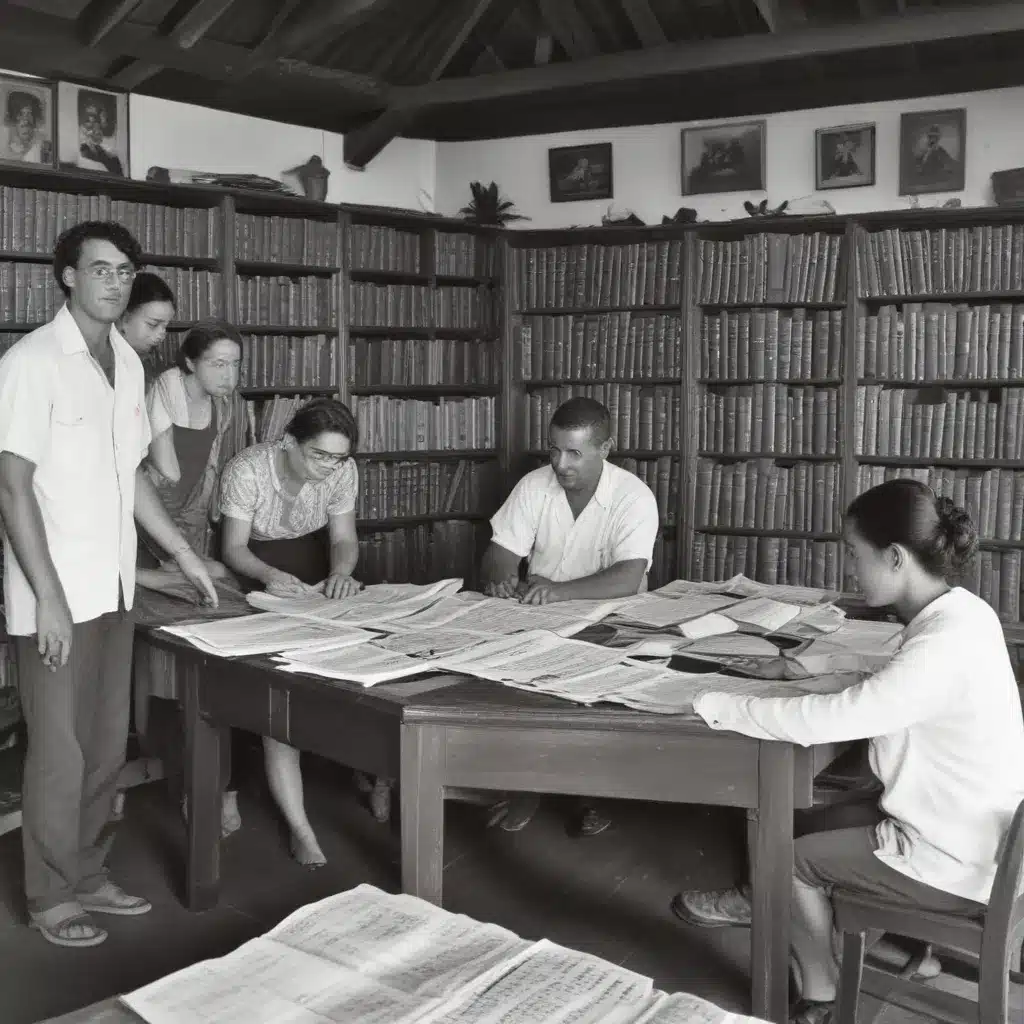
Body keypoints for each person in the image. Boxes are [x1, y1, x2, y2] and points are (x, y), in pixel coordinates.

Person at [682, 480, 1024, 1024]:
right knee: (820, 814)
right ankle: (849, 937)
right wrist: (807, 670)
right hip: (986, 833)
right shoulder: (963, 612)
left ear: (894, 557)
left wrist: (713, 701)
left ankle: (821, 995)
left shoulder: (938, 644)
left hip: (955, 859)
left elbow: (830, 719)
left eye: (854, 554)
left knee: (784, 859)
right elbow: (891, 679)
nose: (850, 569)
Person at [0, 220, 217, 949]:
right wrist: (50, 599)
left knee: (102, 747)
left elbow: (129, 478)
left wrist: (184, 557)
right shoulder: (32, 361)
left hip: (115, 588)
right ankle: (49, 894)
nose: (115, 282)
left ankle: (88, 873)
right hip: (52, 596)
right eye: (100, 269)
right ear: (67, 276)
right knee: (58, 752)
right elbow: (11, 488)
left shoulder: (126, 361)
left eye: (125, 270)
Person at [480, 396, 660, 836]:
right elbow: (499, 553)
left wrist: (557, 593)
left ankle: (592, 794)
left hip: (610, 619)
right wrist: (502, 576)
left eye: (575, 452)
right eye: (554, 449)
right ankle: (527, 786)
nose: (561, 463)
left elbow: (627, 576)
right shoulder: (533, 486)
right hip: (538, 615)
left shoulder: (633, 496)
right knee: (511, 690)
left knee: (593, 706)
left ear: (606, 448)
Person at [219, 398, 362, 867]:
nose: (330, 467)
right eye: (320, 455)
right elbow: (235, 549)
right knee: (266, 690)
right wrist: (269, 576)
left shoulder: (342, 470)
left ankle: (366, 776)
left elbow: (342, 538)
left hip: (310, 567)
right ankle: (293, 824)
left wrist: (342, 572)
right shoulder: (247, 469)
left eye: (338, 458)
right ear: (288, 443)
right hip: (253, 572)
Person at [136, 321, 249, 835]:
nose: (229, 374)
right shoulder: (163, 390)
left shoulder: (228, 406)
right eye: (218, 364)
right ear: (189, 363)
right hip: (143, 532)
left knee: (221, 658)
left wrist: (205, 554)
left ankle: (221, 784)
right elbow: (162, 473)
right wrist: (174, 557)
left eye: (235, 363)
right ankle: (193, 786)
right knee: (171, 670)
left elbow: (211, 482)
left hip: (190, 535)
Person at [118, 271, 175, 380]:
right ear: (123, 318)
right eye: (153, 324)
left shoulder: (149, 362)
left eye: (165, 327)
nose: (161, 335)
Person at [76, 89, 123, 176]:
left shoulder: (111, 155)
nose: (96, 127)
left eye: (99, 121)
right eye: (88, 121)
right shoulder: (80, 153)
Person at [3, 89, 48, 164]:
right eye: (21, 114)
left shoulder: (42, 143)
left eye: (29, 114)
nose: (25, 120)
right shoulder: (4, 142)